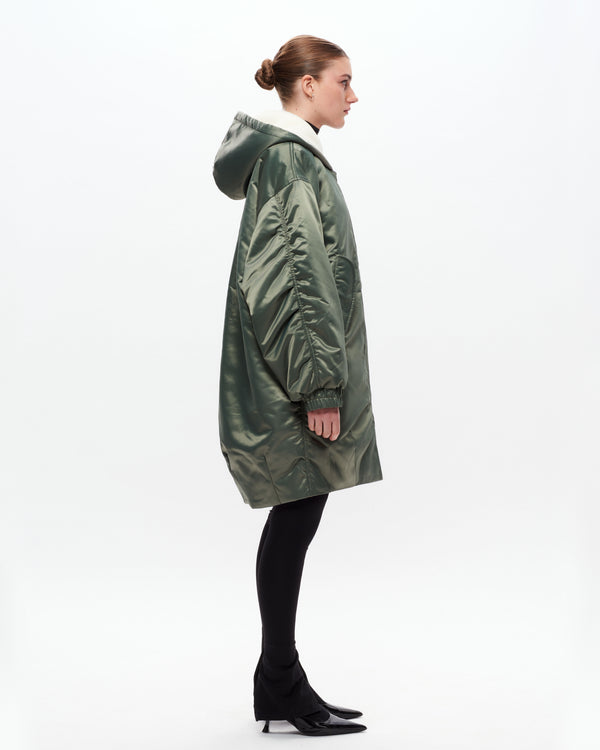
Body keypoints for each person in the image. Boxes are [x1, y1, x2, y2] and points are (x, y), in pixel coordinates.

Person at [213, 34, 383, 737]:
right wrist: (320, 387)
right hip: (294, 377)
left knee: (296, 516)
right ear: (307, 85)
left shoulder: (290, 157)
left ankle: (277, 680)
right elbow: (295, 279)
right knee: (295, 518)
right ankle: (281, 681)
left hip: (285, 370)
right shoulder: (288, 160)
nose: (354, 95)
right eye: (344, 81)